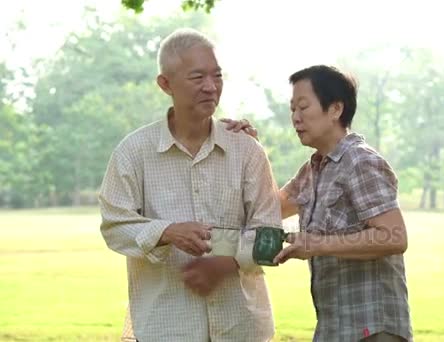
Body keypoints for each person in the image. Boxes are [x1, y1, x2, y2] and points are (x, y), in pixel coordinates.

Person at [98, 28, 282, 342]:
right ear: (165, 84)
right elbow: (115, 227)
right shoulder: (134, 152)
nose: (211, 87)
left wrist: (224, 264)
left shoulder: (246, 150)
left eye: (217, 76)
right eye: (197, 78)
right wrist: (166, 232)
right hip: (165, 327)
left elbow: (272, 237)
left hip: (241, 327)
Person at [225, 65, 413, 341]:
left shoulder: (360, 161)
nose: (296, 118)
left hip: (371, 329)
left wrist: (314, 245)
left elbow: (394, 237)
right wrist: (250, 149)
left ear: (335, 109)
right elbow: (268, 208)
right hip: (334, 328)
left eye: (303, 107)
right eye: (292, 110)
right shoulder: (313, 169)